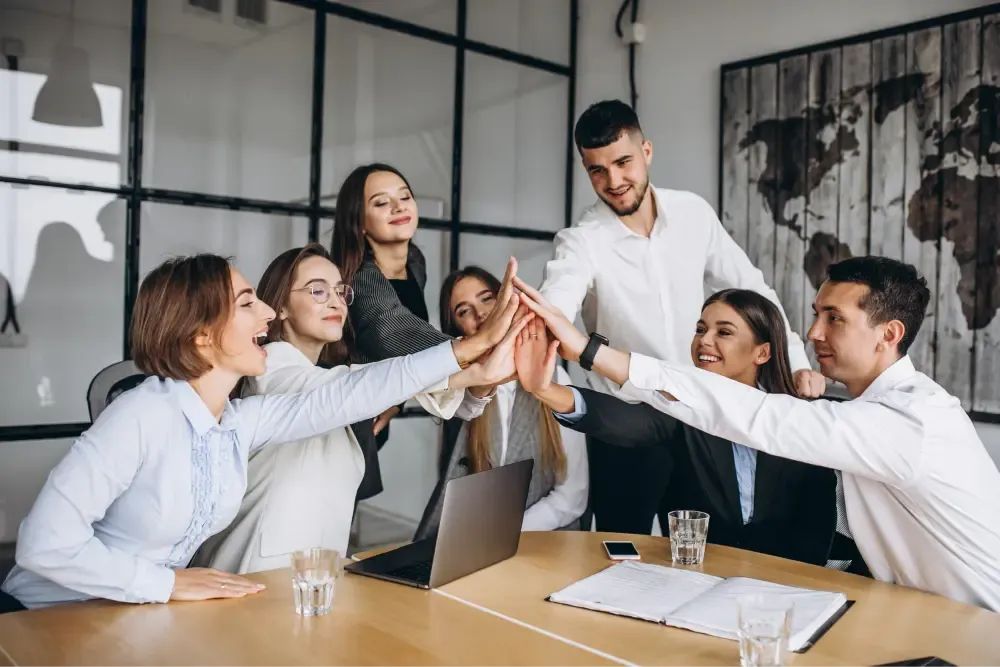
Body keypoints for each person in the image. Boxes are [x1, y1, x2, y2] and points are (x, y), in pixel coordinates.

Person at [0, 253, 527, 610]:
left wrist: (465, 354)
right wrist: (165, 583)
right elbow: (44, 545)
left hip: (131, 614)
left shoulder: (237, 422)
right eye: (249, 302)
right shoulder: (139, 416)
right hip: (41, 618)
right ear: (202, 334)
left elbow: (345, 395)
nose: (269, 313)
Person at [514, 257, 1000, 611]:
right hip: (924, 613)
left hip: (975, 628)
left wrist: (586, 350)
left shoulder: (905, 421)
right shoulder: (874, 411)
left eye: (835, 319)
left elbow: (756, 415)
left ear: (889, 334)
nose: (812, 333)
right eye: (816, 314)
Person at [537, 99, 826, 536]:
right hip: (624, 423)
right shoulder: (581, 242)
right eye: (597, 170)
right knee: (621, 552)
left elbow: (754, 289)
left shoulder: (694, 213)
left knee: (704, 551)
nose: (613, 181)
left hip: (695, 419)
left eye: (623, 162)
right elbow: (553, 307)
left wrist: (798, 362)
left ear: (646, 151)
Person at [192, 246, 501, 574]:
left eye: (340, 291)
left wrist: (481, 379)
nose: (336, 300)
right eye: (318, 290)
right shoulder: (272, 368)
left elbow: (453, 404)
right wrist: (470, 357)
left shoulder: (333, 378)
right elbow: (351, 389)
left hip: (312, 586)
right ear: (279, 306)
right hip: (251, 581)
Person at [517, 288, 836, 565]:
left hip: (785, 587)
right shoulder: (685, 409)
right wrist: (544, 389)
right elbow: (625, 421)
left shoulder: (798, 419)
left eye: (723, 332)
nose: (704, 341)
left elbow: (817, 529)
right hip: (697, 579)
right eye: (700, 329)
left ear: (762, 352)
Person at [331, 163, 483, 499]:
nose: (399, 207)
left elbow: (406, 340)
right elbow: (391, 332)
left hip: (376, 409)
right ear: (359, 222)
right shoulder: (357, 277)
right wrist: (478, 349)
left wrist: (397, 400)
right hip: (339, 415)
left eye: (405, 197)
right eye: (381, 203)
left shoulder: (414, 263)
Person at [416, 267, 588, 535]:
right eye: (463, 311)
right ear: (457, 330)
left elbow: (572, 496)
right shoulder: (461, 394)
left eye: (487, 298)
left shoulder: (555, 380)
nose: (481, 313)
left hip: (545, 540)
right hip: (473, 539)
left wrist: (506, 532)